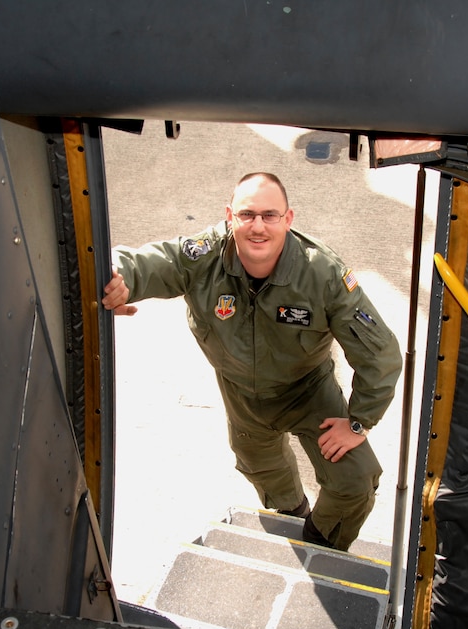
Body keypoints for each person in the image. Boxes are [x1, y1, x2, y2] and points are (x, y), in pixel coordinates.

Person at [101, 172, 402, 551]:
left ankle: (321, 545)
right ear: (230, 216)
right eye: (247, 215)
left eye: (270, 215)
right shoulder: (204, 257)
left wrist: (358, 422)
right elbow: (148, 263)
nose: (258, 226)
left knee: (355, 482)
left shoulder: (321, 274)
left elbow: (380, 354)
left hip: (307, 390)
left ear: (288, 219)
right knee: (264, 469)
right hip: (241, 394)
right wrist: (114, 276)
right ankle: (292, 517)